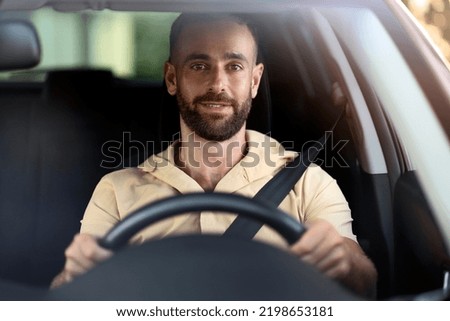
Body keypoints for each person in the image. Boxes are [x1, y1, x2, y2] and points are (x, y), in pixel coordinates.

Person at [51, 13, 377, 297]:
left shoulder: (309, 183)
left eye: (234, 66)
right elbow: (68, 298)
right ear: (171, 78)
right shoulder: (117, 189)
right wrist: (76, 275)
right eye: (199, 65)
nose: (217, 83)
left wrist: (342, 261)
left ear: (254, 80)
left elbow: (365, 284)